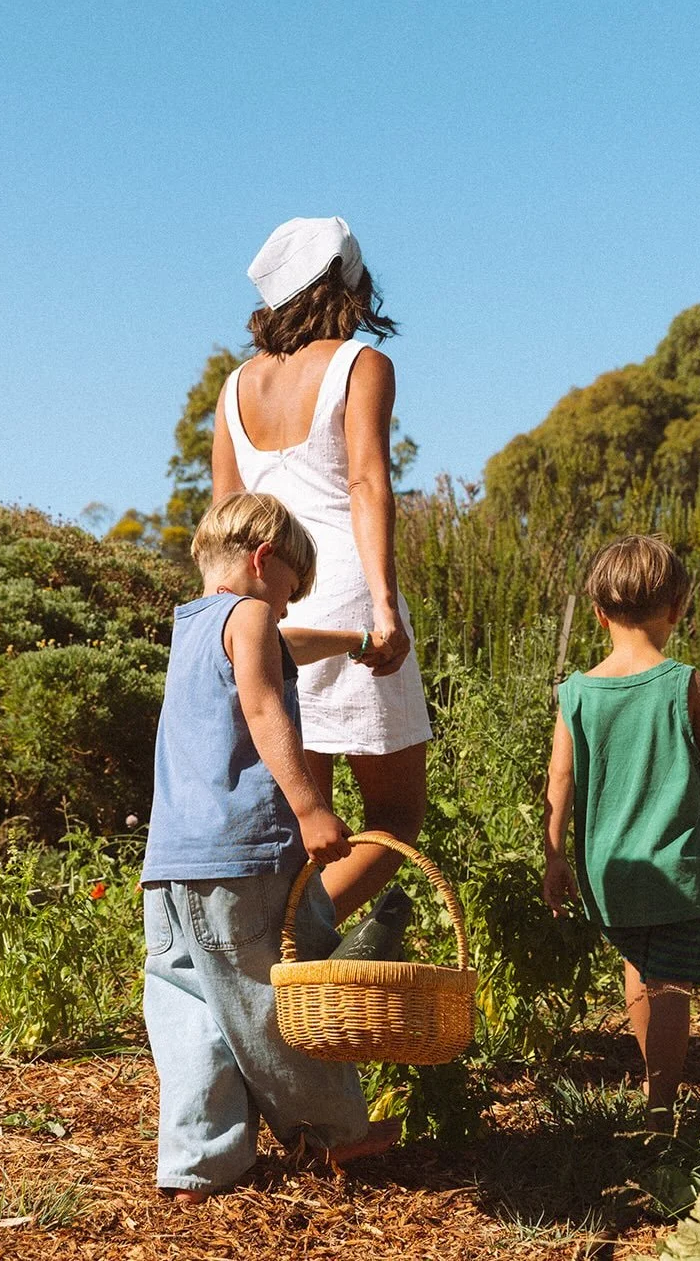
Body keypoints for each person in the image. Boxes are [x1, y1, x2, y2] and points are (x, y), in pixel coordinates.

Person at [141, 491, 399, 1201]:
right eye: (289, 592)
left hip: (172, 865)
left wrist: (349, 642)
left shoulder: (194, 625)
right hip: (243, 855)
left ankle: (202, 1162)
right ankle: (336, 1133)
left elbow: (281, 649)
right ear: (261, 561)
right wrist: (311, 806)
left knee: (189, 1007)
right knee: (276, 992)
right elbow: (261, 703)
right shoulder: (252, 615)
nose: (285, 609)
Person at [212, 216, 432, 922]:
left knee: (303, 821)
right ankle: (301, 941)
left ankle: (286, 969)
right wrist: (384, 605)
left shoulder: (232, 389)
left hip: (264, 605)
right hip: (341, 594)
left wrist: (225, 632)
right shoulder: (359, 365)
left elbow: (226, 517)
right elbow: (367, 484)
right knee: (394, 817)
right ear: (346, 282)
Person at [542, 535, 700, 1133]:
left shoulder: (576, 692)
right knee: (672, 981)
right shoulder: (684, 682)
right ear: (677, 607)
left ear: (600, 614)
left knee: (637, 966)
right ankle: (661, 1107)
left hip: (610, 868)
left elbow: (560, 779)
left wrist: (554, 857)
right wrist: (698, 812)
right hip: (677, 865)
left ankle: (653, 1084)